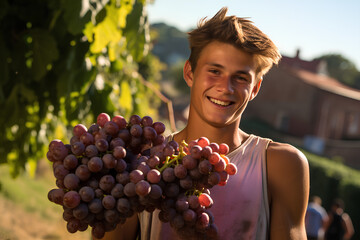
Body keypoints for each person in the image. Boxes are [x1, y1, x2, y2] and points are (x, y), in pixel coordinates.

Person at [97, 7, 309, 240]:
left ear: (255, 89)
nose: (225, 88)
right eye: (215, 71)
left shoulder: (282, 165)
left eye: (240, 78)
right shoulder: (142, 161)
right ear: (189, 73)